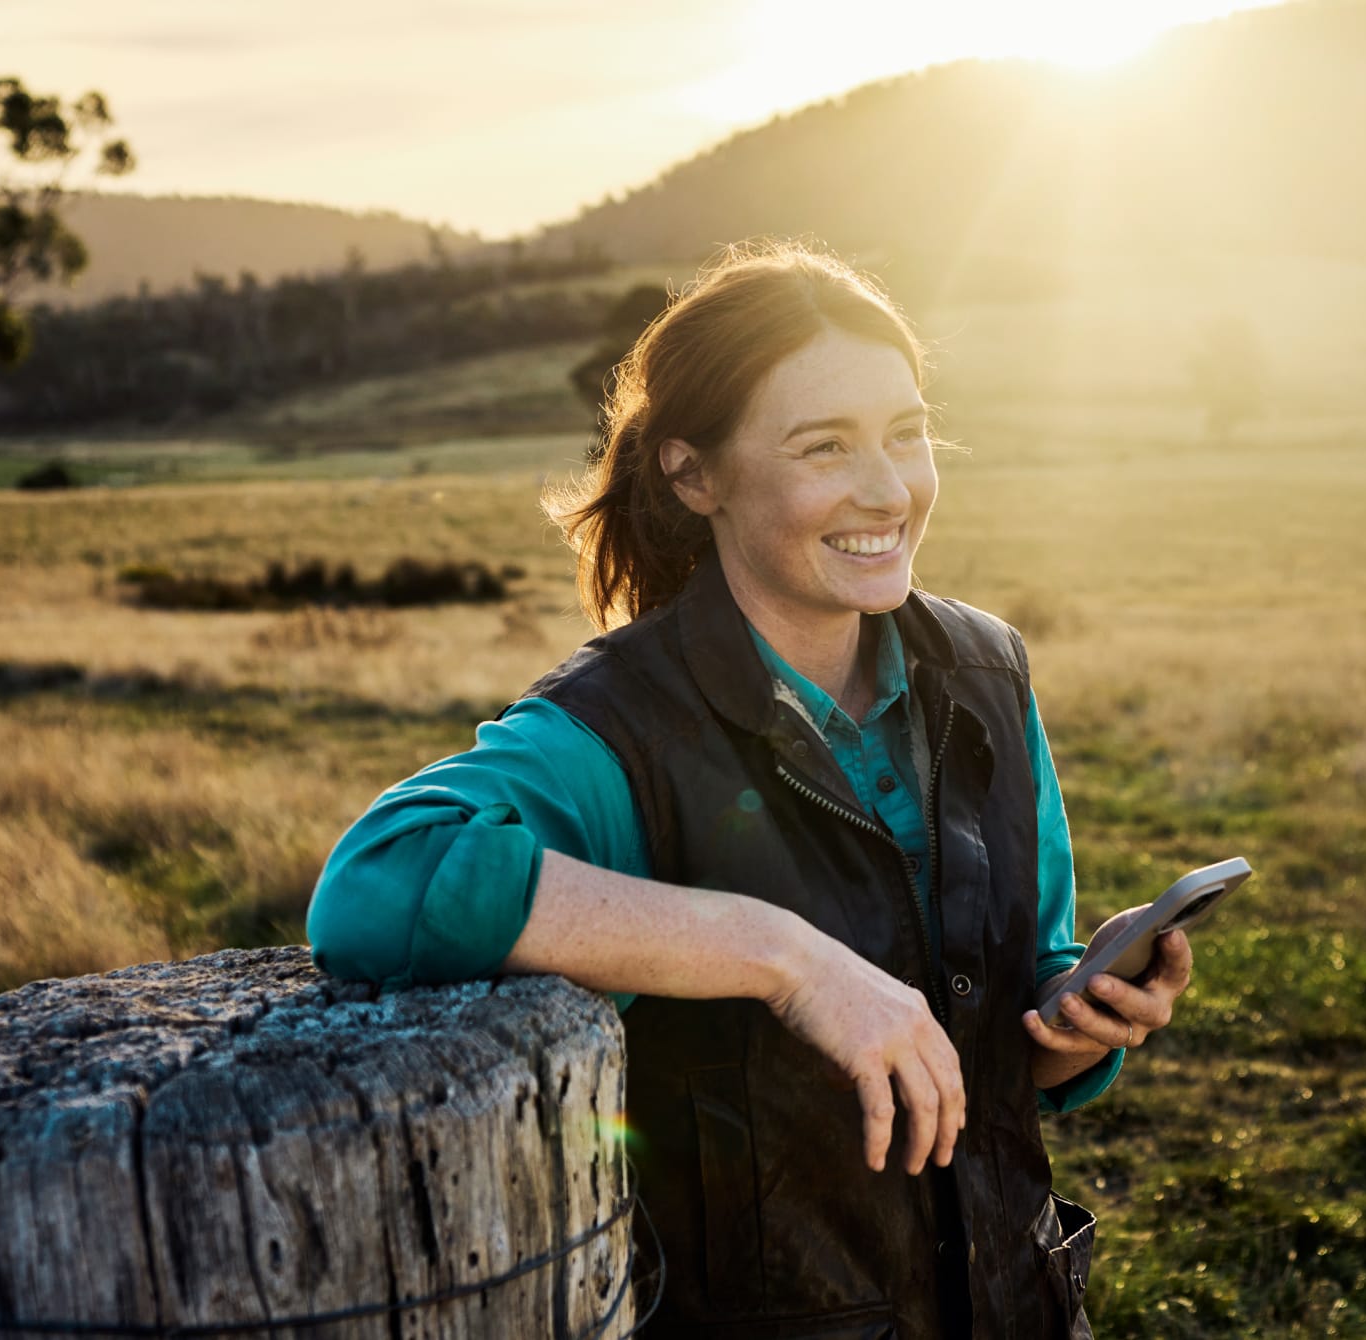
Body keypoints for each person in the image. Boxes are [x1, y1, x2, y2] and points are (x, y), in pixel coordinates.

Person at [305, 238, 1196, 1339]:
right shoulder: (618, 728)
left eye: (906, 434)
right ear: (695, 474)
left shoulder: (985, 671)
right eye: (824, 446)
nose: (887, 488)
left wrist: (1077, 1022)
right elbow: (376, 881)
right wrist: (784, 958)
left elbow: (1024, 993)